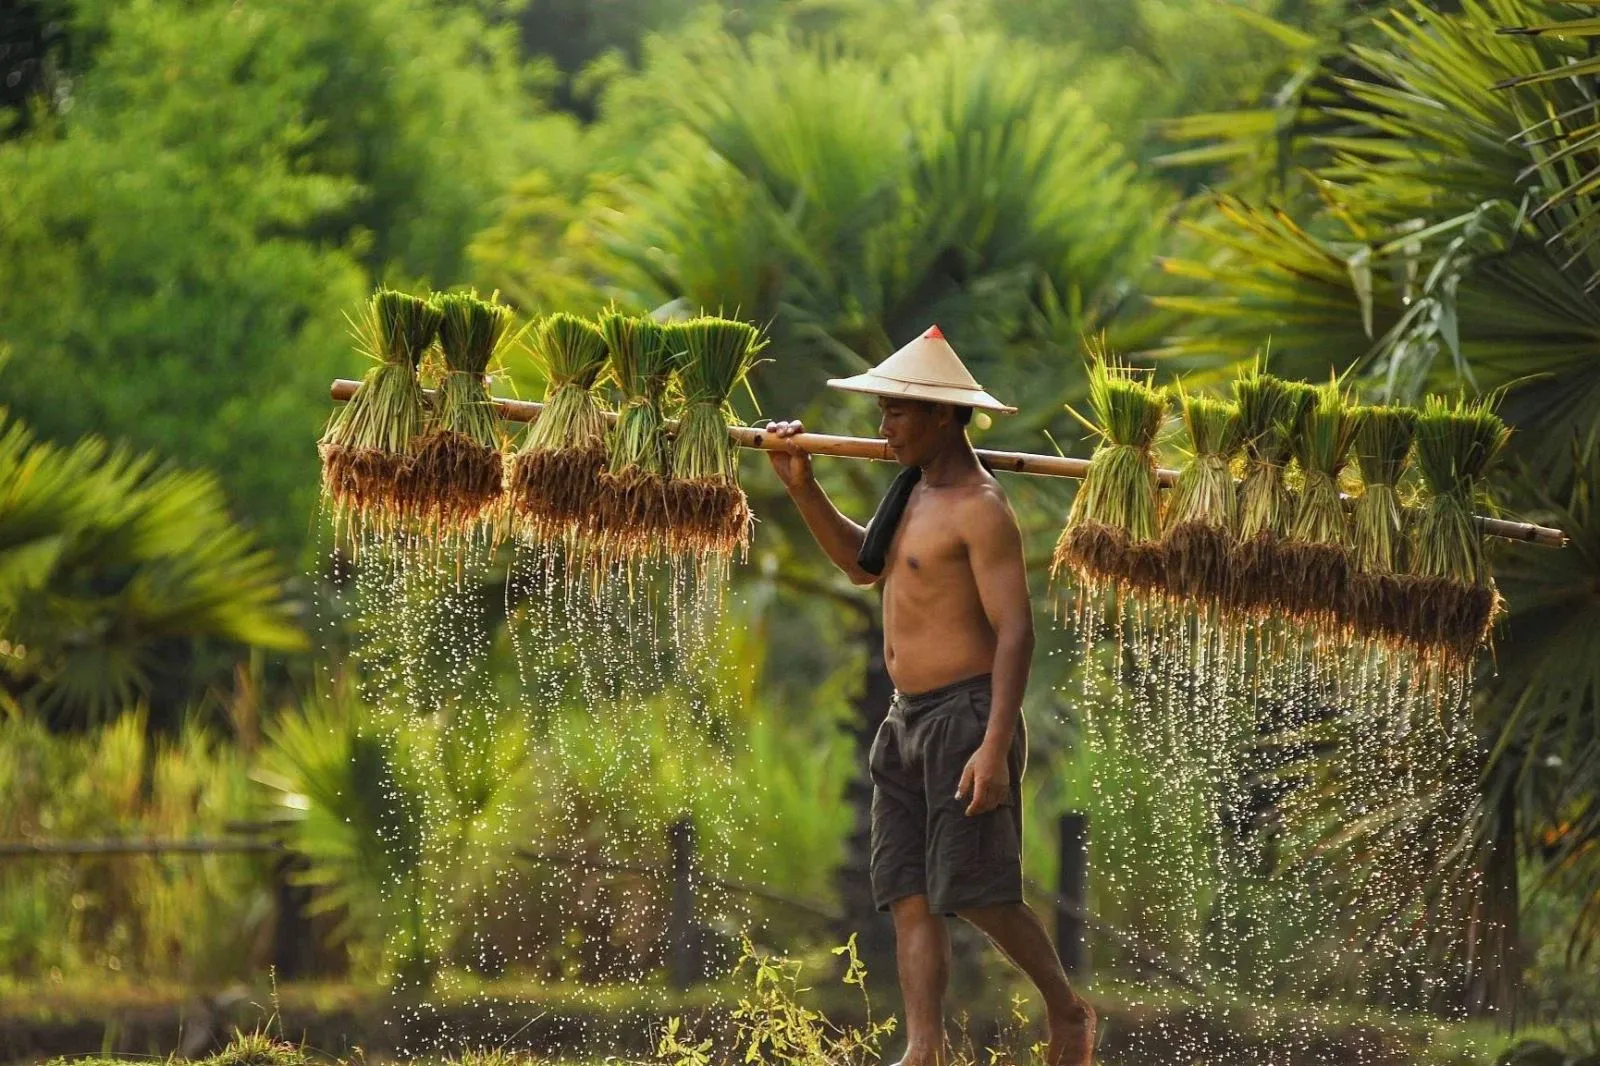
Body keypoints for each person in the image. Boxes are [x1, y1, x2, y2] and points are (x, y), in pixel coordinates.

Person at [764, 326, 1096, 1066]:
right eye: (882, 414)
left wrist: (991, 745)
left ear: (945, 415)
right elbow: (863, 567)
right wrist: (803, 485)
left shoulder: (981, 507)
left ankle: (1066, 1009)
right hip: (903, 718)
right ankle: (924, 1049)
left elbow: (1015, 634)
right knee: (908, 893)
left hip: (966, 716)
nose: (884, 429)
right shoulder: (908, 491)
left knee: (976, 893)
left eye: (898, 415)